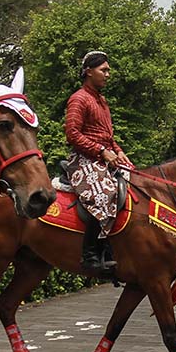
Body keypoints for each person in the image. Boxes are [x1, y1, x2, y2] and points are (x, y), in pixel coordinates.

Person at [64, 50, 130, 274]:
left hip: (104, 158)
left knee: (135, 184)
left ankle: (116, 247)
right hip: (83, 160)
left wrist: (119, 152)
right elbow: (72, 134)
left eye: (108, 70)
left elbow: (107, 136)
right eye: (104, 70)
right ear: (89, 72)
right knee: (103, 193)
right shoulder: (79, 98)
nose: (108, 74)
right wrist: (102, 151)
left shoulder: (101, 101)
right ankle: (91, 255)